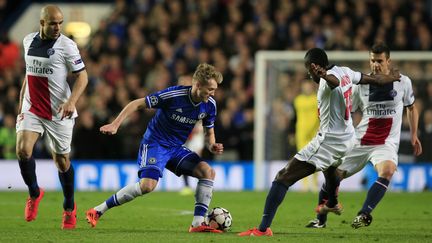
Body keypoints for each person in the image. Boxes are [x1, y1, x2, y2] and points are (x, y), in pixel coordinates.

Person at [238, 47, 400, 237]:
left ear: (315, 67)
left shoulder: (328, 79)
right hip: (348, 139)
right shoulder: (346, 71)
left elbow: (334, 83)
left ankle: (262, 229)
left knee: (282, 177)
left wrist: (324, 76)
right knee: (331, 171)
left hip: (329, 141)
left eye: (309, 70)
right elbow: (375, 80)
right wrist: (393, 78)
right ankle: (331, 202)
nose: (309, 74)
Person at [85, 63, 224, 233]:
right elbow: (136, 104)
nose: (213, 93)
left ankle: (197, 224)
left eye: (214, 90)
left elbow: (209, 132)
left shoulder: (209, 105)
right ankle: (98, 210)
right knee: (147, 186)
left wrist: (212, 145)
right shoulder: (174, 95)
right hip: (155, 143)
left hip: (176, 148)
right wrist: (115, 124)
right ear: (197, 85)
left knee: (207, 172)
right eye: (210, 89)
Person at [306, 43, 422, 229]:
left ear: (388, 61)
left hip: (386, 142)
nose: (376, 64)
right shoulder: (361, 86)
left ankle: (364, 213)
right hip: (361, 139)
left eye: (379, 61)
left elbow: (412, 108)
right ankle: (320, 220)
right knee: (334, 175)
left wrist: (414, 134)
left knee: (388, 171)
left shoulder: (403, 82)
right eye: (372, 60)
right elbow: (347, 109)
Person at [16, 5, 88, 229]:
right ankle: (35, 193)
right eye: (53, 23)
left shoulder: (67, 46)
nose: (58, 27)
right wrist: (21, 108)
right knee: (22, 150)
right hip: (32, 107)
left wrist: (71, 102)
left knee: (62, 162)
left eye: (60, 23)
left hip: (59, 111)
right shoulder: (28, 41)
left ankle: (69, 207)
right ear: (42, 23)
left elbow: (83, 77)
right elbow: (27, 78)